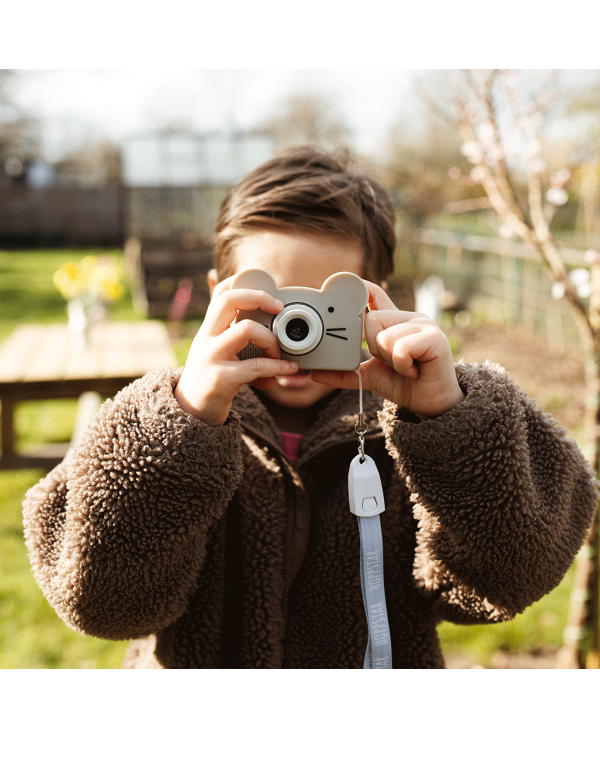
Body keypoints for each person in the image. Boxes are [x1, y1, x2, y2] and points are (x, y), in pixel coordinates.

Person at [23, 145, 597, 669]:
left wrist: (452, 422)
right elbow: (101, 604)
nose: (298, 331)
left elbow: (506, 581)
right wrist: (182, 427)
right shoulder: (170, 426)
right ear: (217, 292)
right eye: (273, 304)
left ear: (376, 298)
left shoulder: (414, 432)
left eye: (326, 306)